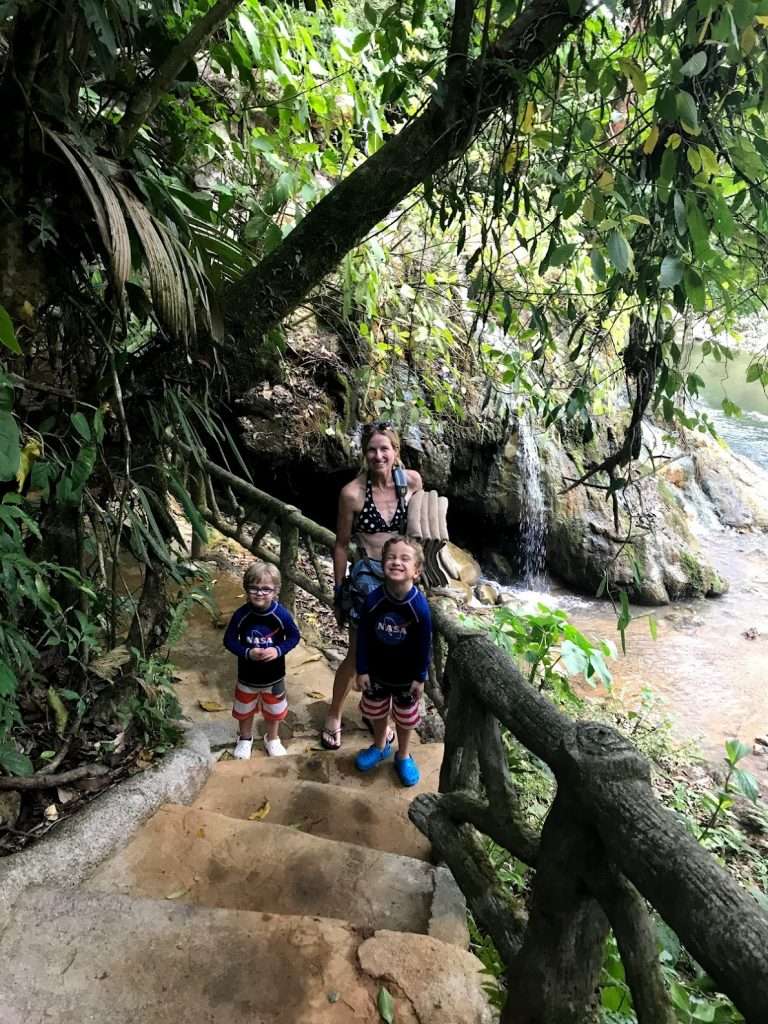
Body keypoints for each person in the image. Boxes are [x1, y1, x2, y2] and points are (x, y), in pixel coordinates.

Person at [321, 423, 422, 750]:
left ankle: (378, 716)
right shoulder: (352, 493)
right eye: (372, 450)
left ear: (396, 452)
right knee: (357, 654)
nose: (378, 455)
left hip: (403, 580)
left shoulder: (411, 483)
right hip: (368, 583)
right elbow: (341, 545)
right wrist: (338, 593)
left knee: (392, 654)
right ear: (364, 454)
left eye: (385, 449)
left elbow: (421, 534)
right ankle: (334, 714)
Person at [353, 537, 431, 787]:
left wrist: (421, 676)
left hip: (406, 677)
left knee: (406, 717)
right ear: (382, 564)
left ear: (416, 571)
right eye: (391, 557)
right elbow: (363, 635)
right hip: (376, 672)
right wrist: (362, 669)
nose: (396, 562)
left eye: (404, 558)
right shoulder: (374, 600)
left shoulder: (418, 607)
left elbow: (424, 645)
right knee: (377, 710)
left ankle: (404, 754)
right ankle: (380, 745)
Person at [223, 561, 300, 759]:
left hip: (274, 678)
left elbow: (294, 637)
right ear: (246, 589)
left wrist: (278, 650)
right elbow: (229, 640)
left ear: (276, 591)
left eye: (266, 589)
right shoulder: (242, 615)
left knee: (274, 711)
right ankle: (245, 738)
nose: (259, 593)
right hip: (247, 676)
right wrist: (247, 652)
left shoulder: (280, 615)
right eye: (254, 588)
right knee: (244, 709)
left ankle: (272, 738)